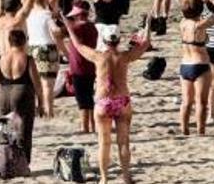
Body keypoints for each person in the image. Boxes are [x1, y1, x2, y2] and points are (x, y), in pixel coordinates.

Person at [65, 17, 152, 184]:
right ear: (119, 40)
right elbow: (146, 43)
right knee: (123, 142)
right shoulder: (125, 56)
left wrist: (69, 26)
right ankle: (126, 176)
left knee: (104, 143)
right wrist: (147, 25)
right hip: (122, 101)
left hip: (103, 101)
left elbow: (77, 45)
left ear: (103, 40)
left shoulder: (98, 57)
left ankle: (104, 178)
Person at [178, 0, 214, 136]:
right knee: (201, 102)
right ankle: (201, 131)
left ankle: (184, 130)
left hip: (185, 64)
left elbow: (186, 4)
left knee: (186, 102)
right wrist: (212, 1)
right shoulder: (199, 25)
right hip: (200, 64)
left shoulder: (182, 23)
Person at [0, 29, 41, 168]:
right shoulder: (27, 58)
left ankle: (4, 160)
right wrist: (42, 102)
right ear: (24, 41)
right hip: (22, 91)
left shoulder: (1, 58)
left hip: (3, 92)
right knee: (24, 130)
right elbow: (36, 82)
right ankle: (23, 162)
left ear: (9, 42)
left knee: (2, 129)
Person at [65, 1, 98, 134]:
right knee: (89, 97)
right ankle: (93, 125)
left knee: (82, 99)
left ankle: (85, 127)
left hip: (78, 68)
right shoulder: (92, 27)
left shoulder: (76, 29)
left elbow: (57, 33)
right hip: (90, 65)